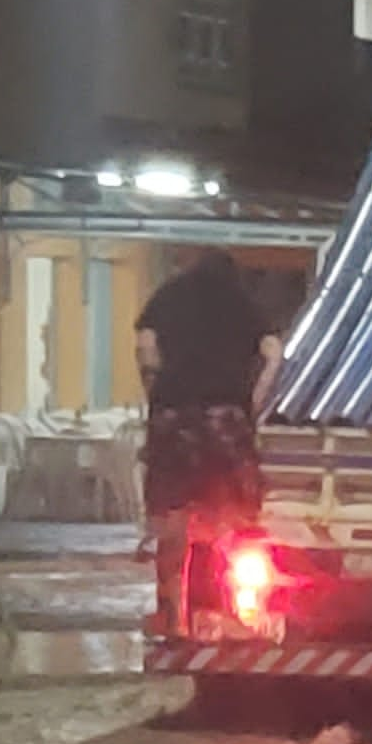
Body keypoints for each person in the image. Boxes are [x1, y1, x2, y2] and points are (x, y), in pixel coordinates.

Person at [135, 249, 283, 636]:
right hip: (225, 416)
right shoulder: (243, 301)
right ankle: (235, 612)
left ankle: (172, 617)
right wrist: (254, 400)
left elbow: (146, 345)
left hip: (173, 416)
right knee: (234, 515)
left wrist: (155, 390)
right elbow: (273, 353)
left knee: (173, 517)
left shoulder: (168, 295)